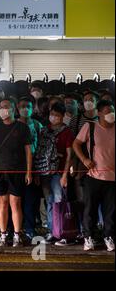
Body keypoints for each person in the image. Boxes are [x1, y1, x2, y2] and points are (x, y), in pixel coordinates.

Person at [0, 98, 32, 247]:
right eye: (0, 107)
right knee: (2, 203)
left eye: (6, 107)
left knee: (15, 203)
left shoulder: (22, 128)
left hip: (17, 171)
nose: (2, 110)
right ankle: (3, 234)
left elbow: (28, 151)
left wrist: (28, 172)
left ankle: (17, 235)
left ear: (14, 109)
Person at [73, 100, 115, 252]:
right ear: (99, 113)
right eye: (108, 111)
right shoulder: (90, 126)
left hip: (113, 179)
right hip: (94, 176)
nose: (111, 114)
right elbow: (76, 144)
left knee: (111, 211)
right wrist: (84, 159)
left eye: (113, 111)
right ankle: (88, 237)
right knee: (90, 209)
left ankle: (108, 237)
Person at [34, 103, 74, 245]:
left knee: (59, 201)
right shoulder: (44, 130)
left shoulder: (67, 132)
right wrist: (38, 173)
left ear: (63, 117)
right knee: (49, 201)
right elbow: (39, 152)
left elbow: (70, 155)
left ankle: (63, 232)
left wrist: (64, 175)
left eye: (57, 115)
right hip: (44, 172)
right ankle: (52, 231)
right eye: (52, 114)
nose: (54, 117)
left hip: (58, 173)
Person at [17, 97, 43, 240]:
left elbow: (40, 149)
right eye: (22, 106)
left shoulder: (38, 126)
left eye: (28, 106)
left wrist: (37, 171)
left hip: (32, 167)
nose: (25, 109)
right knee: (15, 200)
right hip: (15, 166)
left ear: (33, 108)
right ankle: (15, 228)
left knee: (30, 200)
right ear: (17, 108)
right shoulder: (13, 125)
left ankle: (29, 228)